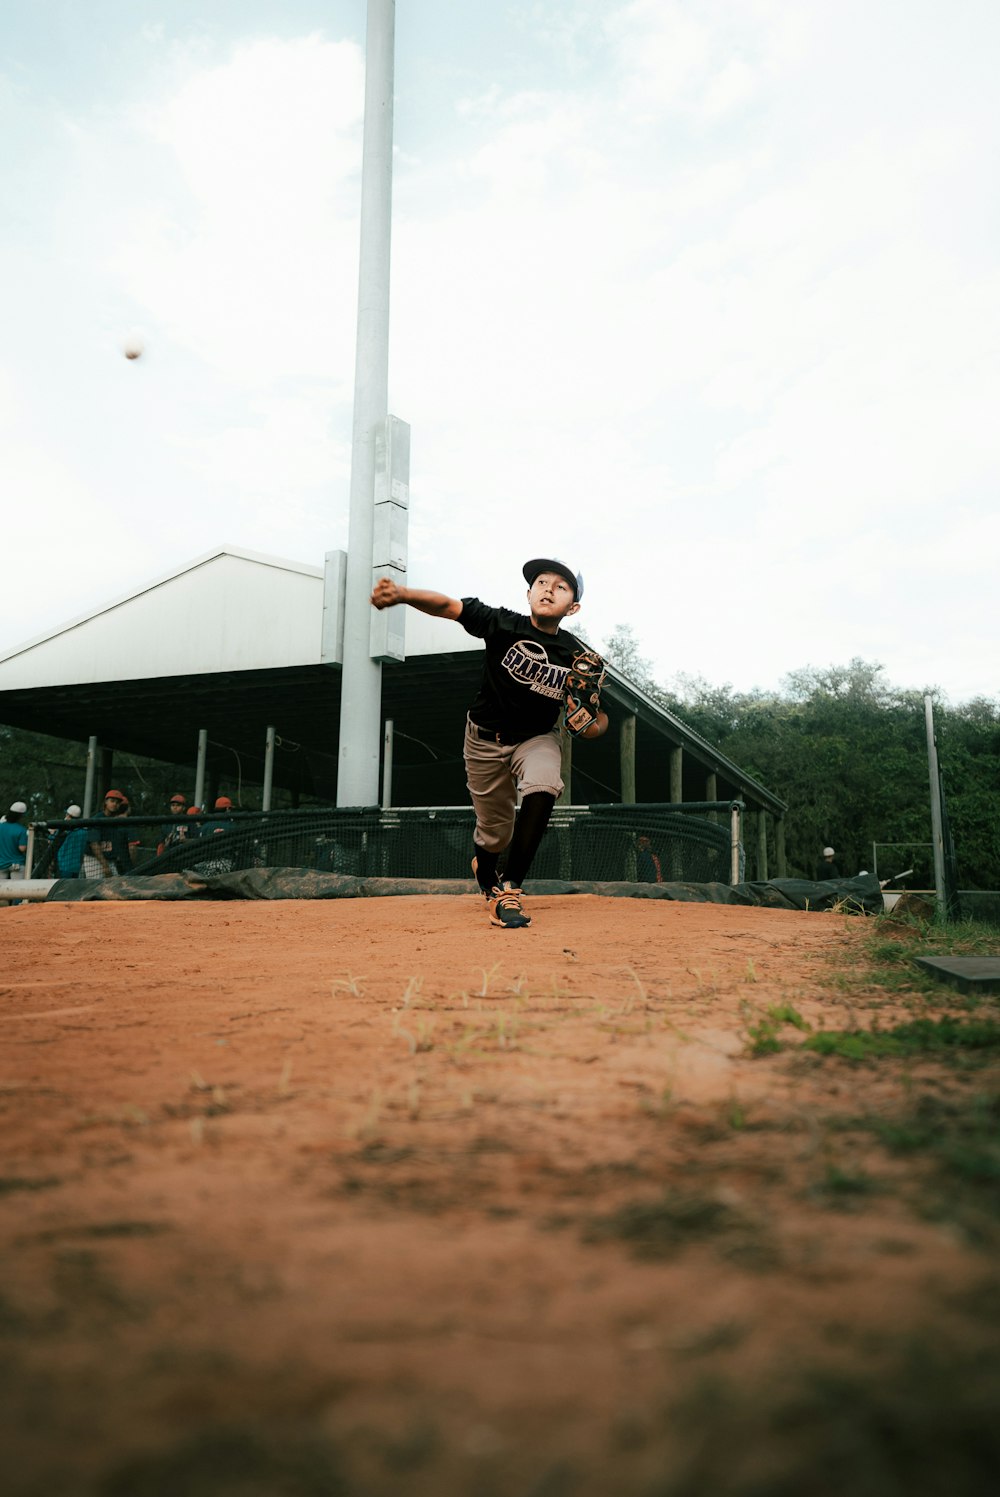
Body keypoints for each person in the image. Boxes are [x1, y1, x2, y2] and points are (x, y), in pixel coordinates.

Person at [371, 557, 608, 929]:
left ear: (573, 607)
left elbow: (598, 722)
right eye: (541, 582)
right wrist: (402, 594)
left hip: (536, 738)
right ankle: (487, 873)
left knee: (544, 783)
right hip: (483, 739)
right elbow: (449, 606)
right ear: (528, 593)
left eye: (561, 586)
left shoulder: (577, 656)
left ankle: (510, 889)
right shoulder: (502, 623)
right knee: (494, 832)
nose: (548, 588)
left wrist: (588, 721)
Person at [84, 790, 140, 878]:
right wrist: (105, 866)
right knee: (96, 887)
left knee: (114, 886)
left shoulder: (116, 821)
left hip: (109, 859)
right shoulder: (97, 818)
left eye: (117, 802)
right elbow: (94, 845)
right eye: (112, 801)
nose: (114, 804)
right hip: (94, 859)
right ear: (106, 802)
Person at [0, 800, 28, 900]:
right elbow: (22, 848)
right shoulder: (21, 829)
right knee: (18, 891)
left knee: (1, 892)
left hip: (1, 864)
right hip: (16, 864)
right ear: (20, 816)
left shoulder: (0, 827)